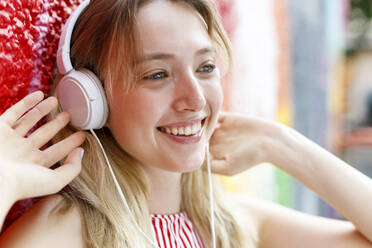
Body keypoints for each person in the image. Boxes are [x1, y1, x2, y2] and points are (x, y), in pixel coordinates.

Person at [0, 0, 371, 247]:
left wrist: (280, 143)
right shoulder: (68, 230)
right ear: (89, 101)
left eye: (206, 67)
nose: (194, 99)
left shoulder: (231, 226)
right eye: (157, 74)